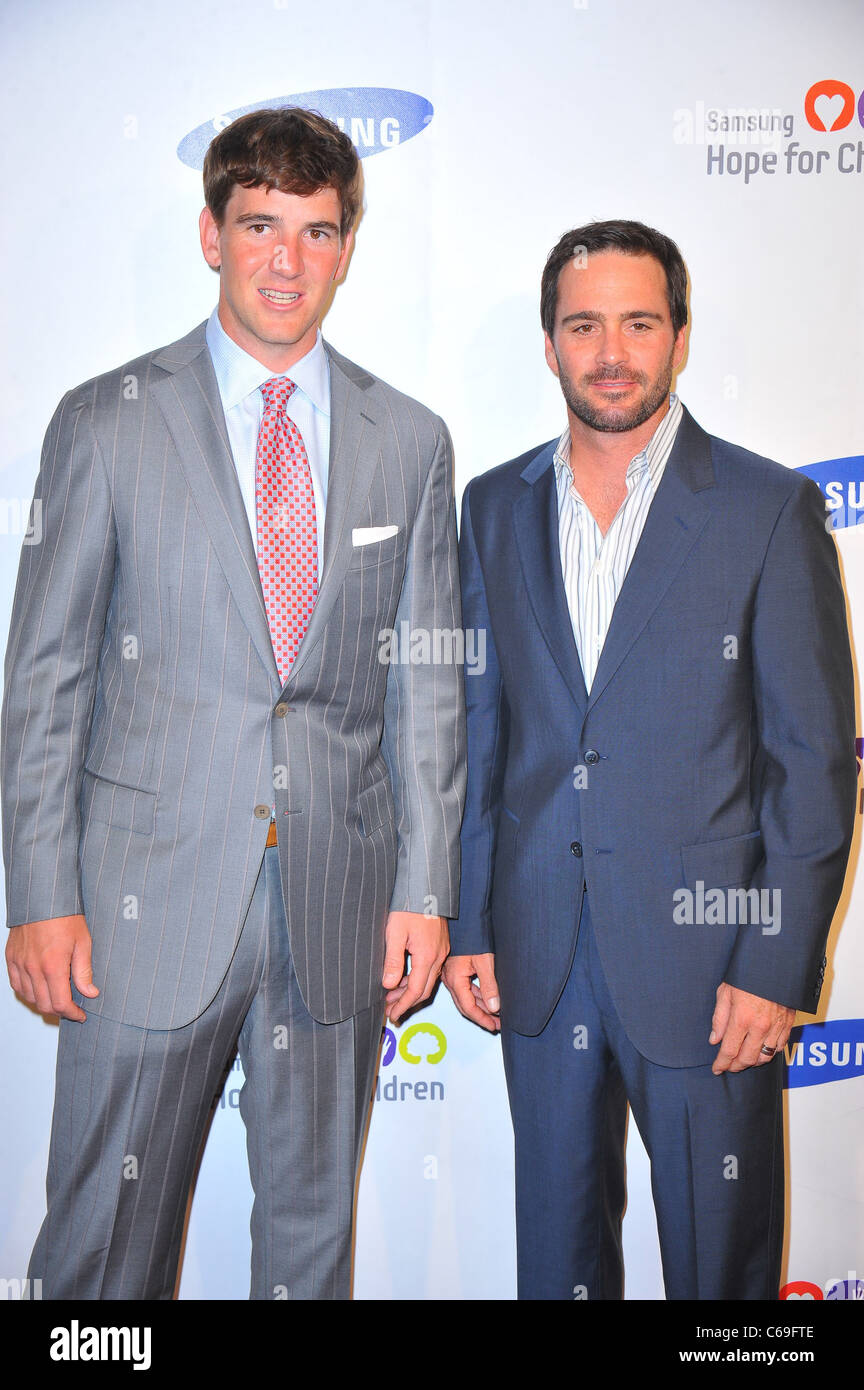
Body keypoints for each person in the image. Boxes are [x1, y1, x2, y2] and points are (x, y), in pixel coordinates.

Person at [2, 106, 465, 1301]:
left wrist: (424, 890)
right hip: (141, 907)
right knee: (103, 1251)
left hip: (337, 903)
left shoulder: (408, 440)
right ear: (211, 232)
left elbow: (423, 687)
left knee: (310, 1250)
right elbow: (46, 676)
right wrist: (40, 894)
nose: (287, 260)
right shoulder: (104, 421)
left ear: (347, 247)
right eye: (261, 225)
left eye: (316, 232)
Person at [443, 219, 855, 1300]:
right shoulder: (492, 508)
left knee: (721, 1273)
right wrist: (472, 923)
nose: (611, 351)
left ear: (677, 335)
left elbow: (813, 762)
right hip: (541, 954)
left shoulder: (768, 509)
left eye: (638, 322)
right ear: (550, 344)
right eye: (585, 325)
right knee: (559, 1265)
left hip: (711, 967)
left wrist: (774, 965)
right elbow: (481, 734)